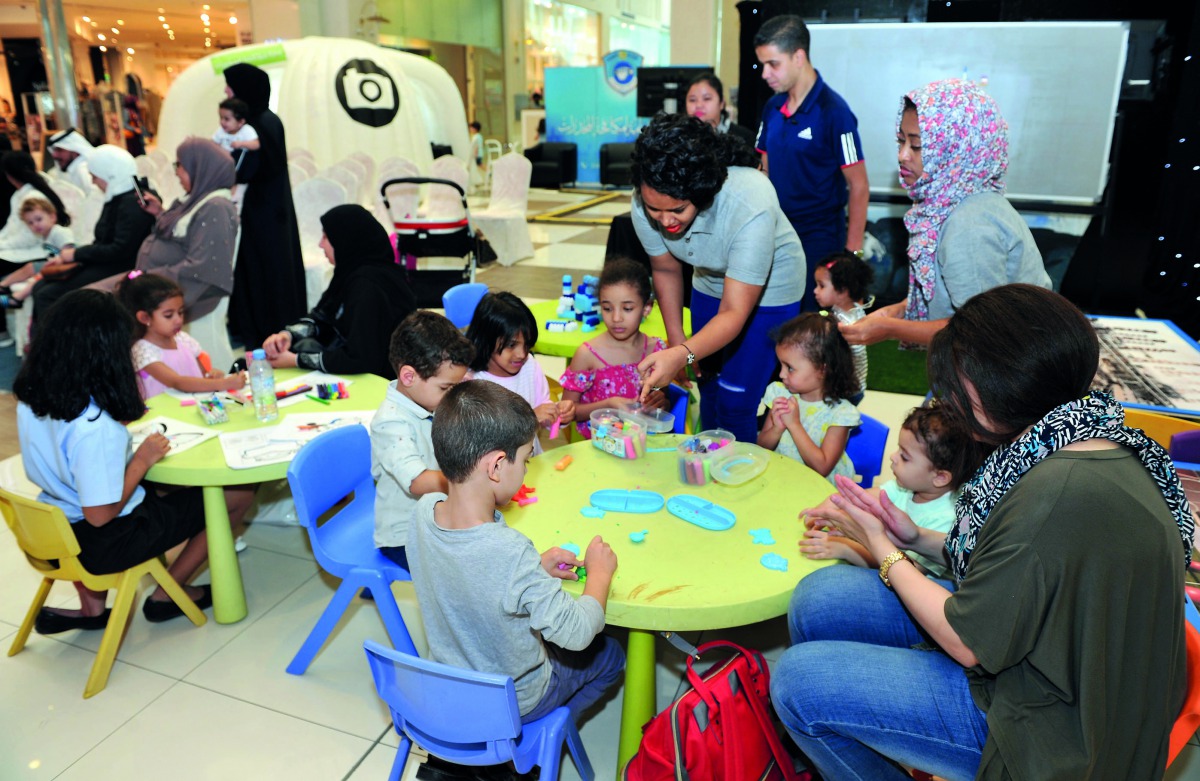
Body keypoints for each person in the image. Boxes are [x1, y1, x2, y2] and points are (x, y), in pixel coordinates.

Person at [771, 284, 1191, 780]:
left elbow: (968, 642)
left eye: (956, 385)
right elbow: (1023, 570)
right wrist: (913, 539)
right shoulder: (1083, 438)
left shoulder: (1052, 494)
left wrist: (883, 547)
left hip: (1049, 731)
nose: (947, 400)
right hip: (1049, 663)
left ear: (999, 386)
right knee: (821, 597)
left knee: (798, 683)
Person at [14, 289, 254, 630]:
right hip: (102, 541)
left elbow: (66, 459)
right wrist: (142, 459)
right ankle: (167, 595)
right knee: (238, 494)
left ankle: (91, 610)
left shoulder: (32, 395)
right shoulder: (95, 428)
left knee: (167, 492)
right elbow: (99, 515)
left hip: (52, 526)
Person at [409, 380, 624, 723]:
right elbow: (578, 633)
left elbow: (468, 572)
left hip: (452, 683)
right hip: (514, 700)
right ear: (495, 467)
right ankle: (544, 738)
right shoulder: (511, 551)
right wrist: (599, 574)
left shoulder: (423, 511)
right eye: (525, 460)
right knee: (611, 655)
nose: (526, 471)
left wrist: (534, 569)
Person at [631, 112, 803, 444]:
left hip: (771, 290)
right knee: (707, 385)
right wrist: (677, 340)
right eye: (655, 210)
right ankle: (705, 472)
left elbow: (734, 313)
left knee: (737, 398)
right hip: (709, 280)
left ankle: (736, 486)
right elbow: (666, 269)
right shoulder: (645, 201)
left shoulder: (749, 200)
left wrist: (682, 353)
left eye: (678, 210)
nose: (665, 221)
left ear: (702, 191)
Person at [840, 79, 1051, 348]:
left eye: (916, 145)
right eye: (901, 141)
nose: (903, 155)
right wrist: (901, 310)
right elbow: (954, 296)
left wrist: (890, 328)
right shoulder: (952, 203)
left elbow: (979, 331)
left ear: (958, 147)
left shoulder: (969, 224)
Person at [754, 14, 869, 312]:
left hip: (818, 238)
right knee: (773, 319)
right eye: (762, 64)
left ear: (798, 57)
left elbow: (858, 185)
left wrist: (851, 255)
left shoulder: (835, 111)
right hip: (776, 230)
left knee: (810, 329)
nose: (765, 74)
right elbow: (763, 169)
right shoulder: (772, 106)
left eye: (773, 64)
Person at [799, 405, 980, 578]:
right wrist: (831, 505)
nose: (893, 457)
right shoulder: (909, 486)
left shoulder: (947, 520)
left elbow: (908, 570)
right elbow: (865, 497)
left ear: (940, 477)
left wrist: (848, 549)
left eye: (904, 456)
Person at [261, 204, 416, 378]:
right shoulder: (351, 273)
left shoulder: (368, 286)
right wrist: (288, 335)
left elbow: (360, 359)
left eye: (326, 237)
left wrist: (296, 360)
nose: (320, 244)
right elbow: (324, 320)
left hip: (380, 381)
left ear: (345, 240)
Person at [371, 310, 474, 564]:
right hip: (403, 537)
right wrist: (470, 480)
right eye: (446, 387)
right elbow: (417, 481)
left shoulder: (428, 399)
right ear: (409, 377)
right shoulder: (390, 422)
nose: (453, 394)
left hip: (437, 515)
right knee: (473, 568)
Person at [223, 62, 306, 348]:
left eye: (230, 87)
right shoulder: (266, 120)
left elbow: (251, 169)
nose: (225, 91)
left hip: (263, 213)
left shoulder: (258, 125)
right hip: (269, 209)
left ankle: (265, 336)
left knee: (264, 274)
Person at [32, 145, 154, 327]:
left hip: (123, 266)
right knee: (40, 287)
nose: (93, 182)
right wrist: (72, 257)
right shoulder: (120, 194)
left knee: (47, 294)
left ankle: (58, 349)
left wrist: (75, 255)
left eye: (95, 176)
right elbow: (104, 242)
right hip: (108, 261)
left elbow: (120, 250)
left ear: (110, 174)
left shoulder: (133, 202)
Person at [123, 137, 238, 322]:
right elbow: (184, 234)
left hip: (178, 292)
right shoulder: (196, 199)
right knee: (90, 298)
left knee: (100, 309)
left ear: (200, 169)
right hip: (157, 282)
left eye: (181, 165)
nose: (176, 172)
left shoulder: (216, 207)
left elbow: (201, 269)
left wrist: (144, 279)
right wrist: (160, 213)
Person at [560, 257, 668, 438]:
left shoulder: (657, 350)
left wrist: (661, 400)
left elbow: (662, 398)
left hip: (645, 446)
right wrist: (609, 405)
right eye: (608, 308)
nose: (616, 318)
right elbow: (567, 413)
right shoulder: (587, 354)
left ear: (646, 308)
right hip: (598, 449)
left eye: (627, 308)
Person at [466, 291, 575, 453]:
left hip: (531, 461)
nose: (521, 354)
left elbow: (542, 409)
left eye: (527, 345)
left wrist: (558, 414)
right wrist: (529, 419)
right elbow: (482, 439)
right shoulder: (471, 382)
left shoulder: (529, 366)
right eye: (511, 345)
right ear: (486, 339)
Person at [757, 312, 860, 482]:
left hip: (820, 491)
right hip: (782, 479)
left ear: (822, 369)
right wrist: (776, 428)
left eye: (790, 368)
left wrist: (794, 424)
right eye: (780, 365)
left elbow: (822, 467)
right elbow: (762, 447)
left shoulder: (841, 414)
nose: (781, 374)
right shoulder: (779, 393)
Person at [117, 271, 246, 400]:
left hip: (194, 404)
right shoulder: (142, 351)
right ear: (144, 317)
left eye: (181, 312)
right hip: (165, 414)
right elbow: (177, 382)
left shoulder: (182, 339)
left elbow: (201, 375)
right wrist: (222, 384)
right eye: (168, 315)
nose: (178, 320)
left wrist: (211, 375)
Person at [812, 250, 874, 404]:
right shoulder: (851, 309)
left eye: (821, 286)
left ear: (842, 291)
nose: (815, 291)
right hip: (849, 388)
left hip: (846, 391)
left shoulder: (846, 324)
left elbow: (853, 352)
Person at [0, 197, 75, 310]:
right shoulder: (46, 235)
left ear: (52, 217)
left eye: (39, 219)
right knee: (31, 267)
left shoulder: (60, 232)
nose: (35, 225)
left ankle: (17, 298)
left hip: (69, 265)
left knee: (38, 274)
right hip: (56, 264)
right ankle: (3, 286)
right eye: (30, 223)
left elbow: (69, 252)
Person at [685, 72, 757, 150]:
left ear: (722, 103)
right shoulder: (680, 138)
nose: (698, 105)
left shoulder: (744, 139)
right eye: (692, 100)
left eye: (707, 98)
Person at [212, 98, 259, 208]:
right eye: (221, 118)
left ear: (241, 122)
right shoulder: (221, 131)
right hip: (223, 165)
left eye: (226, 119)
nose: (222, 122)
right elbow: (213, 143)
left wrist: (241, 144)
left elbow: (256, 144)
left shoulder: (247, 131)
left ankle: (234, 197)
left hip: (239, 169)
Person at [45, 127, 95, 193]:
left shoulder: (84, 170)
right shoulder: (63, 170)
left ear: (75, 150)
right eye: (54, 150)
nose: (54, 155)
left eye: (60, 150)